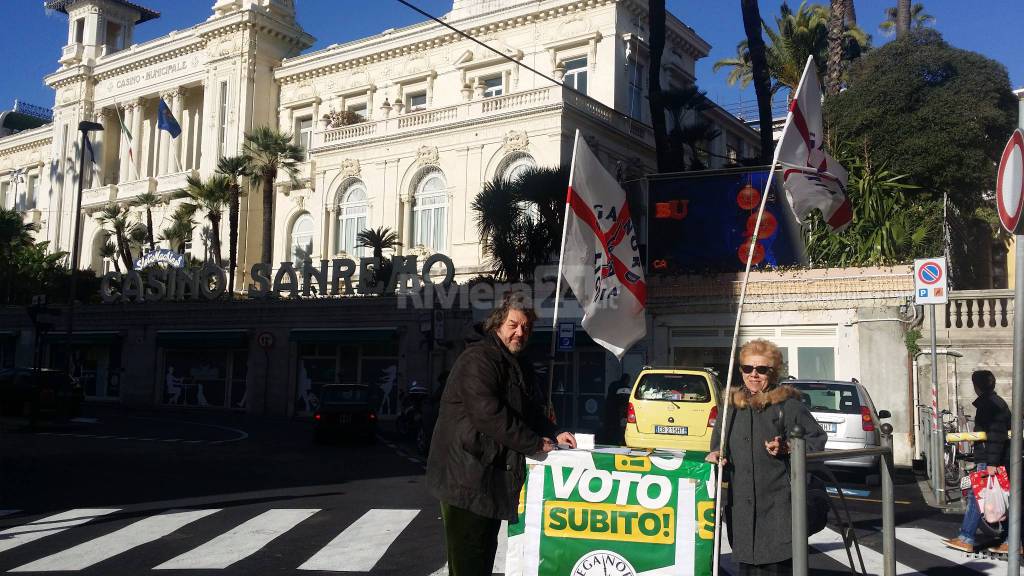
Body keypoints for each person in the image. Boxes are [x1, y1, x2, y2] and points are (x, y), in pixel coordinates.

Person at [426, 292, 577, 576]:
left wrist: (554, 432)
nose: (520, 332)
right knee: (469, 562)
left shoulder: (515, 362)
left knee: (482, 558)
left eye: (526, 327)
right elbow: (488, 413)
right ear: (498, 323)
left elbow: (529, 411)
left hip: (488, 480)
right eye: (513, 325)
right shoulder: (479, 359)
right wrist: (535, 443)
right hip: (466, 479)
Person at [706, 339, 827, 576]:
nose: (754, 375)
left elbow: (817, 442)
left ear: (773, 372)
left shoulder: (788, 406)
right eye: (748, 368)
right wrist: (716, 456)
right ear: (740, 370)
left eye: (762, 369)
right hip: (741, 513)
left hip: (780, 511)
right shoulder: (730, 407)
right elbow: (717, 447)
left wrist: (789, 448)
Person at [943, 369, 1012, 554]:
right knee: (1002, 499)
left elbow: (997, 434)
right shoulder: (995, 403)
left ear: (976, 386)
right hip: (995, 458)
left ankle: (966, 538)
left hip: (991, 459)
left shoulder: (989, 405)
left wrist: (991, 463)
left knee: (978, 498)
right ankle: (1011, 540)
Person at [601, 373, 631, 445]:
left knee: (608, 425)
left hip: (608, 406)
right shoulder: (624, 387)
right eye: (628, 380)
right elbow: (624, 400)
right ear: (626, 379)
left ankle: (607, 440)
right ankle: (615, 441)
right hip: (616, 408)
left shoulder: (613, 384)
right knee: (616, 426)